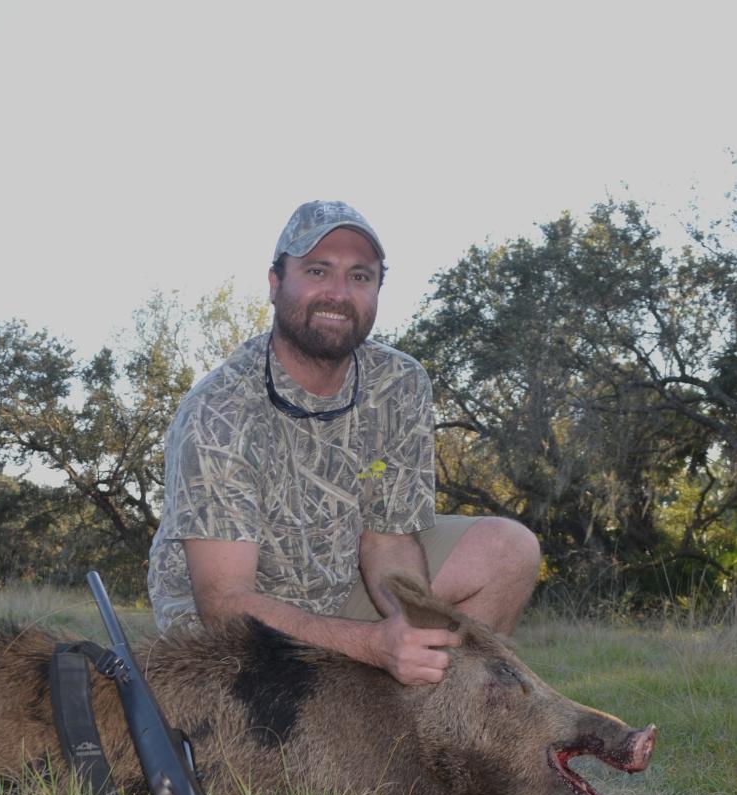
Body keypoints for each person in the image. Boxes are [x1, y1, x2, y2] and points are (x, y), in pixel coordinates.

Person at [147, 200, 540, 685]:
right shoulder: (219, 409)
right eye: (317, 270)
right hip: (231, 635)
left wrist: (411, 625)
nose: (338, 293)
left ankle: (445, 723)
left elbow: (388, 537)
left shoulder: (398, 383)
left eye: (360, 276)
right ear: (275, 284)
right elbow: (225, 606)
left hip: (337, 588)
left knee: (509, 549)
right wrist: (373, 645)